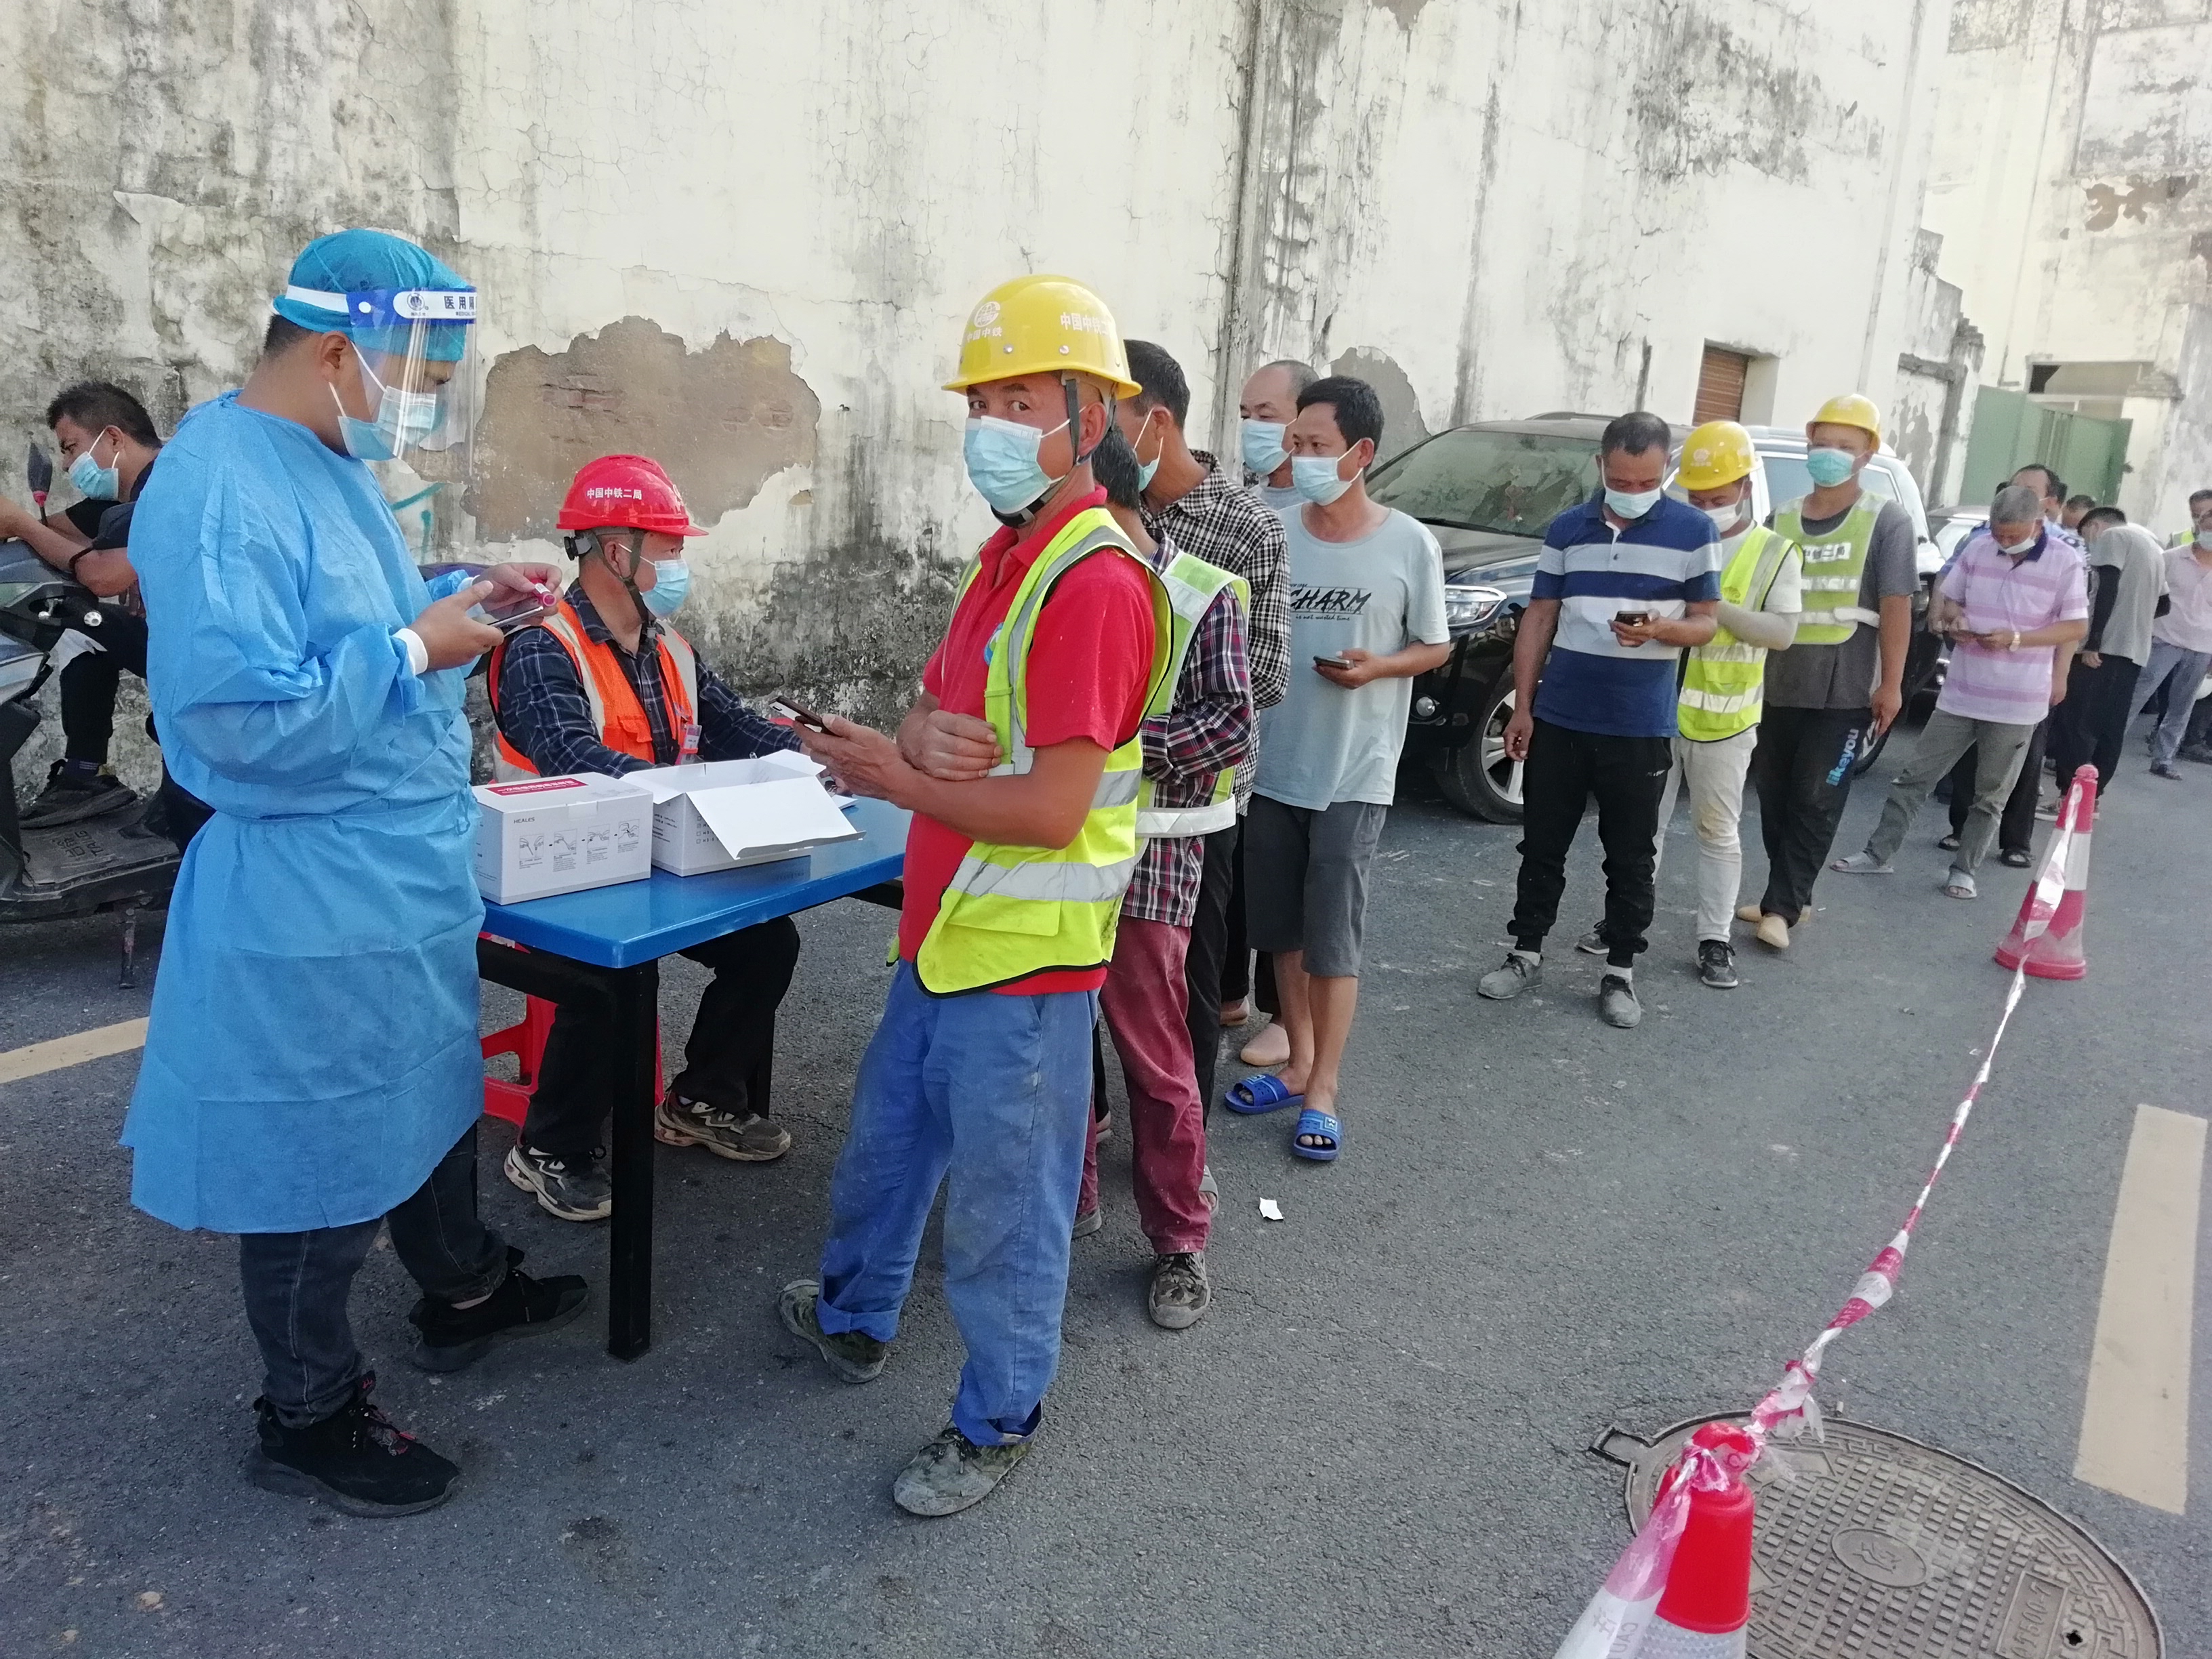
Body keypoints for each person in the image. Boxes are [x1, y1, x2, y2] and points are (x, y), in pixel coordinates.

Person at [123, 230, 588, 1518]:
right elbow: (239, 722)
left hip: (394, 868)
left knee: (427, 1098)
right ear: (336, 352)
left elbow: (345, 610)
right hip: (311, 884)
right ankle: (307, 1410)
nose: (420, 400)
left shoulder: (325, 458)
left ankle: (463, 1286)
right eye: (418, 372)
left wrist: (458, 592)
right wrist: (416, 649)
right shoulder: (217, 486)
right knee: (316, 1160)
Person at [777, 275, 1170, 1517]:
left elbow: (1052, 809)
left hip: (1028, 964)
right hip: (944, 936)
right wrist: (902, 742)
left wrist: (892, 774)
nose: (990, 426)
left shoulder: (1093, 582)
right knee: (885, 1155)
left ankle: (998, 1419)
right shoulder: (1007, 559)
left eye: (1019, 401)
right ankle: (852, 1318)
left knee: (1007, 1219)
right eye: (980, 402)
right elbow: (936, 712)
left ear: (1089, 414)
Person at [486, 453, 806, 1221]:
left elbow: (738, 729)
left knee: (769, 943)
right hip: (558, 873)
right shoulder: (542, 646)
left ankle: (701, 1099)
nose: (680, 563)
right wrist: (694, 796)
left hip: (656, 855)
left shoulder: (670, 648)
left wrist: (825, 760)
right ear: (616, 551)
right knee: (615, 978)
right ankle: (550, 1147)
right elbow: (573, 756)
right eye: (669, 547)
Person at [1231, 373, 1449, 1153]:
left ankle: (1324, 1085)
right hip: (1271, 765)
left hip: (1353, 774)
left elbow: (1435, 644)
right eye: (1296, 443)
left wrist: (1380, 667)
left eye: (1317, 445)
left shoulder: (1408, 543)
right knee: (1280, 933)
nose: (1302, 458)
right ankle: (1297, 1061)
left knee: (1332, 938)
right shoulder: (1272, 531)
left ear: (1361, 453)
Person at [1073, 424, 1254, 1328]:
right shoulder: (1056, 580)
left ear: (1109, 499)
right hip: (1056, 850)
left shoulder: (1198, 591)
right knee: (1056, 1043)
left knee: (1155, 1055)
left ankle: (1180, 1240)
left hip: (1151, 851)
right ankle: (1067, 1198)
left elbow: (1231, 727)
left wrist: (1109, 747)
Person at [1476, 411, 1719, 1026]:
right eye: (1621, 480)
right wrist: (1523, 706)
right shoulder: (1568, 527)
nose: (1633, 492)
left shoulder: (1693, 530)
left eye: (1647, 482)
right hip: (1562, 715)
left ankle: (1621, 972)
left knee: (1632, 857)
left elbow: (1706, 623)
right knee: (1542, 845)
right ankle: (1525, 952)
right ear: (1600, 467)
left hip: (1639, 724)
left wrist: (1660, 629)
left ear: (1666, 470)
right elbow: (1540, 616)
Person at [1115, 339, 1286, 1127]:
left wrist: (1114, 737)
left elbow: (1265, 679)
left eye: (1104, 420)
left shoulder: (1246, 527)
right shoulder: (1087, 516)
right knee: (1075, 970)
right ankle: (1089, 1123)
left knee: (1187, 984)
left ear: (1155, 422)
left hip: (1195, 810)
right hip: (1085, 799)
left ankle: (1181, 1145)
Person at [1570, 422, 1801, 988]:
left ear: (1745, 487)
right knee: (1639, 831)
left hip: (1724, 719)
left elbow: (1782, 633)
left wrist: (1709, 608)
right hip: (1653, 710)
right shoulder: (1670, 536)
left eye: (1717, 498)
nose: (1706, 508)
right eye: (1697, 498)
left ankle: (1714, 939)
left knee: (1717, 832)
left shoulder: (1773, 552)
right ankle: (1624, 924)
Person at [1832, 483, 2087, 897]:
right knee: (1913, 779)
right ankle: (1877, 855)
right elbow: (1951, 600)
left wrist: (2018, 640)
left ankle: (1964, 870)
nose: (2004, 543)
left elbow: (2075, 626)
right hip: (1961, 694)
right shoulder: (1979, 548)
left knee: (1991, 795)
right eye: (1998, 533)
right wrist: (1957, 621)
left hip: (2018, 702)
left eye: (2013, 535)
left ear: (2037, 524)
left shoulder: (2065, 561)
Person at [1739, 394, 1915, 949]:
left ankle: (1782, 907)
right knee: (1774, 796)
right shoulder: (1782, 517)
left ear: (1868, 454)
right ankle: (1790, 895)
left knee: (1817, 797)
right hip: (1776, 681)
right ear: (1809, 442)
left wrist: (1891, 684)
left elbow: (1897, 606)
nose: (1831, 453)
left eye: (1846, 445)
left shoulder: (1887, 520)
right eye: (1823, 443)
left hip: (1845, 687)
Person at [0, 384, 178, 830]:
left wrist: (21, 521)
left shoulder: (171, 482)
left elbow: (103, 576)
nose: (66, 465)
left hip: (220, 649)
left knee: (79, 617)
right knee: (79, 628)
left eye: (70, 448)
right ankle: (86, 775)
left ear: (113, 437)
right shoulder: (118, 498)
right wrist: (18, 526)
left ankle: (178, 802)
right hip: (177, 638)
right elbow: (55, 535)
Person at [1226, 356, 1316, 1065]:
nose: (1254, 428)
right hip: (1239, 737)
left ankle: (1288, 1018)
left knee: (1290, 888)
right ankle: (1230, 995)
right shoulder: (1241, 508)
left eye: (1269, 415)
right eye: (1246, 415)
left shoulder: (1326, 516)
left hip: (1301, 733)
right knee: (1234, 875)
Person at [1938, 464, 2085, 858]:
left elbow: (2073, 623)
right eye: (2013, 487)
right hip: (1973, 677)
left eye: (2030, 490)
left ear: (2047, 504)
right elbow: (1951, 592)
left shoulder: (2068, 551)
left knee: (2022, 764)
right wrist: (1954, 619)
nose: (2017, 495)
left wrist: (2060, 674)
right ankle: (1961, 831)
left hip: (2027, 683)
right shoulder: (1981, 538)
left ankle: (2015, 842)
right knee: (1972, 762)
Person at [2047, 507, 2165, 792]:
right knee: (2111, 726)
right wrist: (2134, 619)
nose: (2088, 543)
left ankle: (2070, 793)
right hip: (2134, 650)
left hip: (2102, 650)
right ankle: (2094, 795)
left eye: (2085, 534)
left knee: (2077, 723)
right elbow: (2165, 604)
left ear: (2096, 526)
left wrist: (2094, 643)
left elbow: (2105, 589)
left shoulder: (2113, 537)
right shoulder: (2152, 546)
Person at [2131, 513, 2212, 778]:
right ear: (2199, 527)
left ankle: (2164, 759)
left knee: (2182, 705)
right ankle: (2104, 749)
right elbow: (2148, 595)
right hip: (2164, 640)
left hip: (2202, 647)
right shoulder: (2172, 559)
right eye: (2209, 528)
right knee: (2137, 694)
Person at [1239, 358, 1318, 516]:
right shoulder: (1243, 505)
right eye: (1245, 417)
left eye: (1265, 416)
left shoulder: (1325, 513)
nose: (1251, 427)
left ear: (1306, 418)